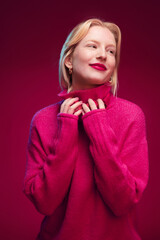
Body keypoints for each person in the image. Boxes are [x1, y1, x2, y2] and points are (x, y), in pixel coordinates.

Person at [23, 18, 149, 240]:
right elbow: (44, 202)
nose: (103, 55)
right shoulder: (43, 120)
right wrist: (66, 131)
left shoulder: (132, 115)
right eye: (93, 46)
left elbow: (122, 203)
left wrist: (98, 128)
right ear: (69, 60)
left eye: (111, 52)